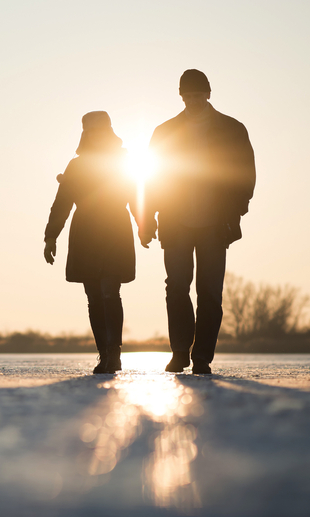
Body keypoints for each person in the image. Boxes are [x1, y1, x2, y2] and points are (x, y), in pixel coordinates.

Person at [140, 69, 256, 375]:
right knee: (176, 288)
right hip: (175, 221)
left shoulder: (232, 129)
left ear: (208, 93)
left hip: (216, 223)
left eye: (197, 94)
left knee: (210, 293)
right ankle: (180, 353)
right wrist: (146, 218)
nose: (192, 100)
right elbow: (151, 178)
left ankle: (202, 356)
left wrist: (236, 211)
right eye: (187, 95)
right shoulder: (164, 132)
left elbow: (245, 174)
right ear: (181, 96)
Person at [44, 111, 139, 374]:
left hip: (115, 232)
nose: (96, 135)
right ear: (85, 133)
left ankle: (114, 354)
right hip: (85, 234)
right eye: (91, 130)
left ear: (109, 131)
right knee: (94, 297)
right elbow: (61, 204)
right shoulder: (76, 166)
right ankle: (104, 353)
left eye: (101, 129)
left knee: (110, 291)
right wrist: (51, 236)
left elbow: (134, 196)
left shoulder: (122, 162)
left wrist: (144, 224)